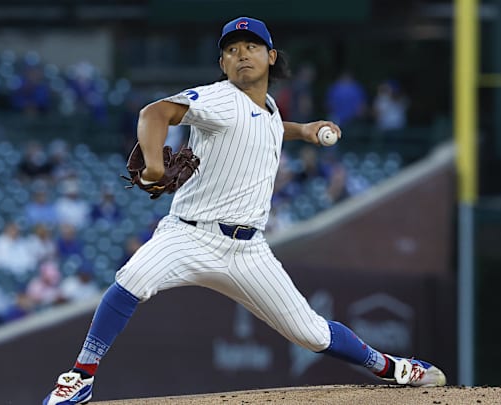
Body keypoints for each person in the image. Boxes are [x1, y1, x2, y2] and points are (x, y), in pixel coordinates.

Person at [42, 16, 445, 405]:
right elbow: (154, 113)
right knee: (131, 279)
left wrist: (302, 130)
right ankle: (81, 377)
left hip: (249, 252)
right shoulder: (219, 98)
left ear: (271, 56)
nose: (241, 54)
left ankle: (391, 367)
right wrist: (153, 164)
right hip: (189, 235)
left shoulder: (268, 108)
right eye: (231, 50)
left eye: (251, 46)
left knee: (312, 334)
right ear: (222, 64)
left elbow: (265, 124)